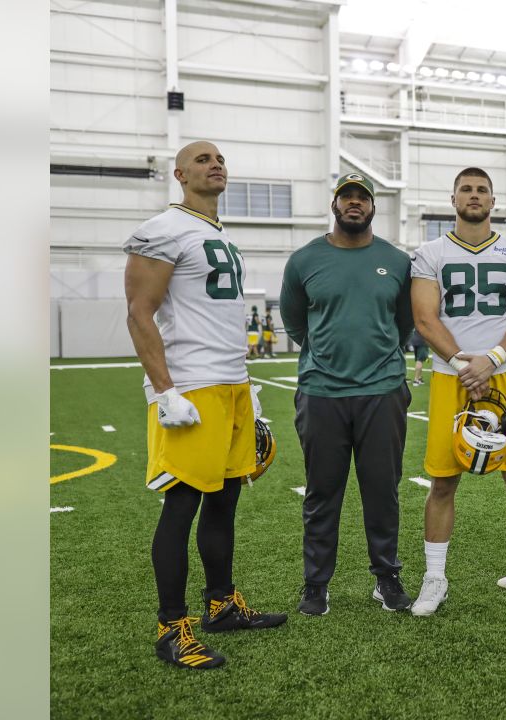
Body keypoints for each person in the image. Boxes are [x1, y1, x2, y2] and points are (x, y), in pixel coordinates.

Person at [124, 140, 286, 670]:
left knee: (225, 501)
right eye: (201, 159)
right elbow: (139, 313)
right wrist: (165, 390)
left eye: (219, 159)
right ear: (179, 174)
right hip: (191, 387)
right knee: (182, 505)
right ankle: (171, 627)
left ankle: (221, 605)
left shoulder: (218, 232)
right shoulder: (162, 228)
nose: (214, 164)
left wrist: (247, 387)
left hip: (231, 384)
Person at [407, 167, 506, 615]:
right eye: (466, 189)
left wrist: (489, 360)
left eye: (482, 190)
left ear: (493, 202)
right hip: (450, 376)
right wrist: (462, 363)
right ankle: (435, 578)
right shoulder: (430, 252)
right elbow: (424, 318)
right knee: (442, 480)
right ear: (452, 198)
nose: (474, 196)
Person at [280, 172, 415, 616]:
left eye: (362, 198)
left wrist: (377, 358)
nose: (354, 204)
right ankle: (316, 584)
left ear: (373, 207)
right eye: (346, 197)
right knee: (322, 492)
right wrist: (328, 355)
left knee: (382, 490)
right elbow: (297, 323)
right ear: (335, 206)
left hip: (382, 390)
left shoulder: (396, 261)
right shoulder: (304, 260)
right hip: (322, 392)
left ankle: (386, 577)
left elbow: (404, 324)